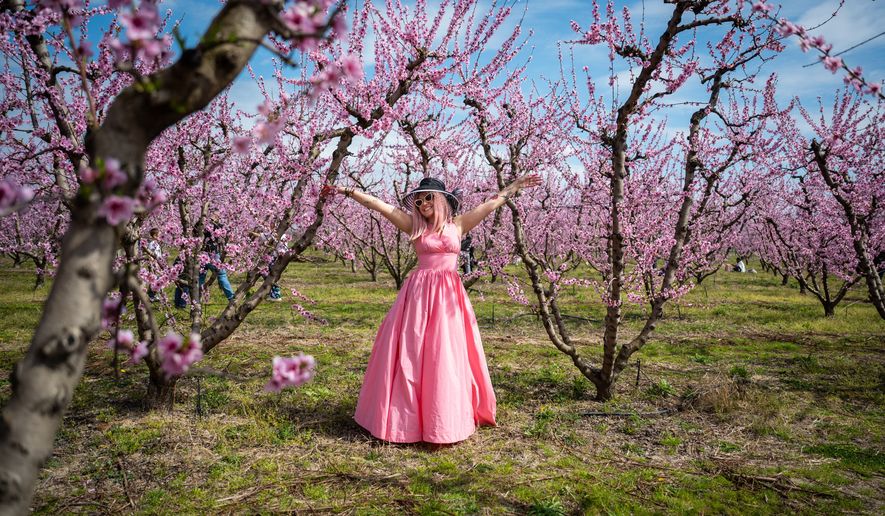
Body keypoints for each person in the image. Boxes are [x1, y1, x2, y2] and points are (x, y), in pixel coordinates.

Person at [322, 174, 542, 444]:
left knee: (445, 353)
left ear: (441, 200)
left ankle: (444, 421)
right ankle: (407, 422)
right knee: (413, 352)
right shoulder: (414, 226)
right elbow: (378, 205)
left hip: (449, 296)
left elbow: (490, 204)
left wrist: (514, 187)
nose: (423, 203)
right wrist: (346, 190)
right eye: (419, 199)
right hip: (418, 295)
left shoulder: (458, 225)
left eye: (429, 197)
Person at [144, 228, 162, 302]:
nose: (160, 237)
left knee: (157, 279)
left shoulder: (156, 244)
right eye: (159, 235)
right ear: (154, 236)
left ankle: (154, 294)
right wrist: (153, 265)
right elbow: (150, 255)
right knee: (154, 279)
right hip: (153, 264)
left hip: (157, 263)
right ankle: (151, 296)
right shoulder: (152, 244)